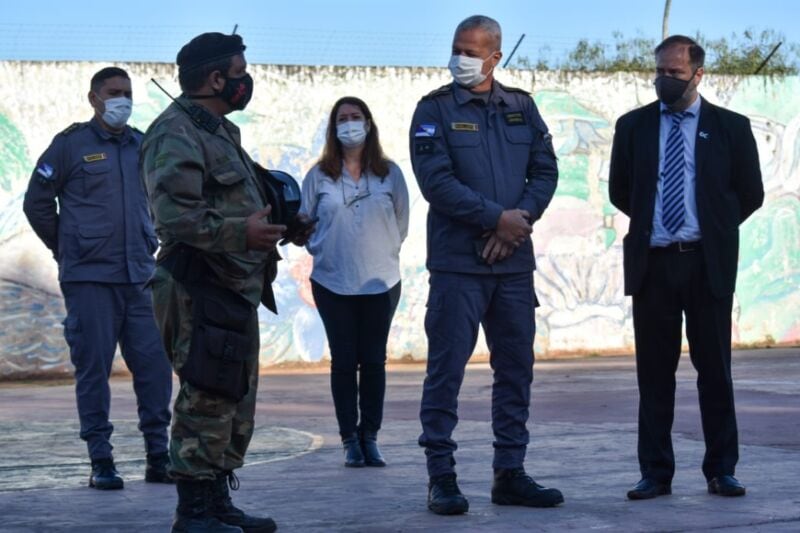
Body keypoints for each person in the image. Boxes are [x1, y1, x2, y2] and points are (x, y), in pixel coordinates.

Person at [141, 32, 313, 533]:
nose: (245, 81)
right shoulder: (175, 133)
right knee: (206, 395)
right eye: (239, 72)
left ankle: (216, 502)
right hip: (199, 285)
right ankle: (192, 513)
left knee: (231, 400)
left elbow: (236, 199)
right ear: (216, 79)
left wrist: (284, 222)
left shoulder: (216, 130)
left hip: (232, 286)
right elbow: (175, 219)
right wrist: (245, 232)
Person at [409, 15, 562, 515]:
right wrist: (496, 219)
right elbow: (437, 182)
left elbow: (545, 170)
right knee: (446, 371)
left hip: (513, 265)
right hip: (458, 266)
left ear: (496, 57)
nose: (462, 59)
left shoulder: (522, 107)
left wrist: (519, 221)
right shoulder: (432, 110)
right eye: (457, 48)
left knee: (516, 369)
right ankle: (442, 477)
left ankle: (510, 473)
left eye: (472, 52)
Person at [609, 35, 764, 501]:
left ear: (698, 74)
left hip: (706, 265)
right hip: (653, 265)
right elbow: (622, 190)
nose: (664, 80)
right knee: (653, 375)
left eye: (674, 73)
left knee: (714, 371)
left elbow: (750, 192)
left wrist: (711, 226)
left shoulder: (730, 127)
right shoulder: (633, 126)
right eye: (659, 71)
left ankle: (722, 470)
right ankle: (655, 473)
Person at [22, 67, 173, 490]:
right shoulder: (70, 145)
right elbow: (37, 203)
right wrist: (66, 247)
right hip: (89, 278)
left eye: (127, 93)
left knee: (155, 369)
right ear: (94, 98)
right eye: (113, 93)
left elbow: (162, 199)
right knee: (93, 369)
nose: (121, 100)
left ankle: (158, 455)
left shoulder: (143, 145)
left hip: (140, 276)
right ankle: (101, 459)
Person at [301, 96, 409, 468]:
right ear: (333, 128)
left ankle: (371, 437)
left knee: (374, 361)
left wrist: (383, 250)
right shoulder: (319, 176)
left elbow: (401, 222)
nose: (350, 124)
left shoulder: (390, 173)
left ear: (368, 123)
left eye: (356, 117)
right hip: (332, 281)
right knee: (343, 361)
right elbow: (304, 222)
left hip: (381, 281)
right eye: (342, 119)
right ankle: (349, 438)